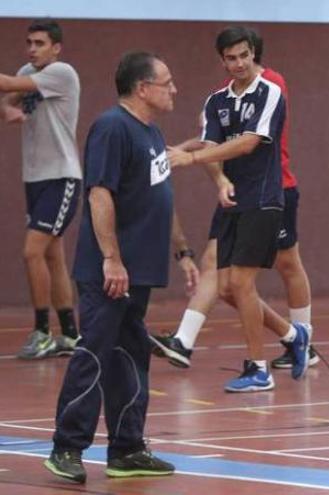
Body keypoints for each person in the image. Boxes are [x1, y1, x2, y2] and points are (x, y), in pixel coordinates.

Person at [44, 51, 187, 484]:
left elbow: (160, 196)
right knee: (95, 353)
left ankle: (126, 448)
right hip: (110, 270)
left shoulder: (153, 133)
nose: (174, 89)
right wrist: (111, 257)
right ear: (142, 88)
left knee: (129, 358)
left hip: (139, 270)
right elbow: (99, 194)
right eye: (166, 82)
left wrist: (183, 252)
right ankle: (67, 446)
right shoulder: (112, 127)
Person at [150, 27, 318, 371]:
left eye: (244, 55)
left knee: (283, 265)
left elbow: (248, 140)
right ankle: (189, 340)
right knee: (223, 277)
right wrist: (188, 153)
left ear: (254, 52)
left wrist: (193, 156)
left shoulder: (272, 85)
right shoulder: (219, 98)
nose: (239, 62)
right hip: (237, 194)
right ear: (222, 60)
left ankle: (298, 343)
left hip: (274, 189)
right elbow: (211, 142)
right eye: (231, 57)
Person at [0, 19, 81, 359]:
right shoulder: (28, 71)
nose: (32, 49)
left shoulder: (62, 72)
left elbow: (6, 83)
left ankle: (43, 331)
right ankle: (72, 335)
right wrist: (7, 110)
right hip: (35, 178)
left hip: (62, 177)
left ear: (56, 47)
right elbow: (7, 96)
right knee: (52, 255)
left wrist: (8, 97)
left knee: (33, 251)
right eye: (29, 43)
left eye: (40, 43)